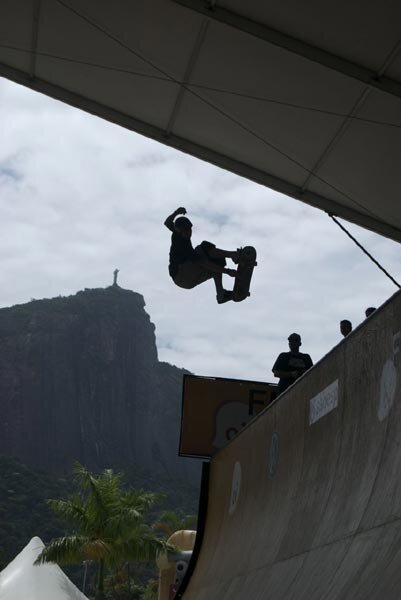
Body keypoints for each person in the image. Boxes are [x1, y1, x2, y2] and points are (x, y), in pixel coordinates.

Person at [164, 207, 241, 304]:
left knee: (218, 261)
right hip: (180, 274)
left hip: (187, 279)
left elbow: (167, 222)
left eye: (190, 230)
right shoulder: (179, 240)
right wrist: (227, 271)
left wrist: (176, 212)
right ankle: (234, 255)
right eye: (185, 230)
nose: (189, 233)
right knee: (204, 247)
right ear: (179, 230)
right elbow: (203, 263)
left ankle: (221, 295)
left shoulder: (178, 232)